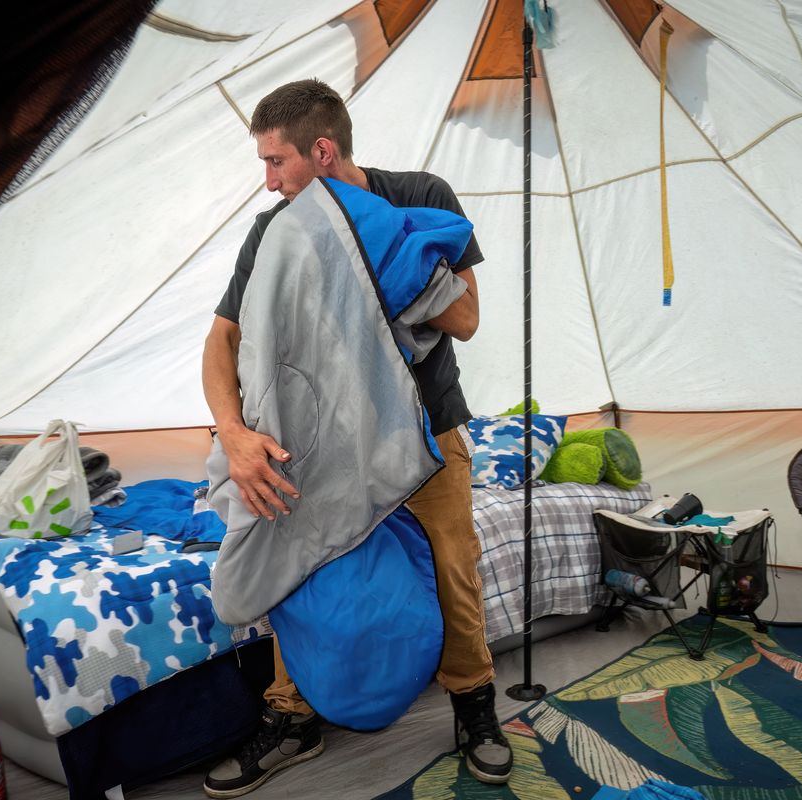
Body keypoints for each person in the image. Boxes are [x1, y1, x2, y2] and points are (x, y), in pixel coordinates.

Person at [200, 79, 511, 797]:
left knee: (452, 562)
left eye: (276, 163)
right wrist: (235, 434)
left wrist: (372, 248)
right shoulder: (272, 232)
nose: (268, 180)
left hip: (426, 429)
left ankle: (475, 708)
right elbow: (223, 340)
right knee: (298, 564)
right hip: (320, 442)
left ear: (322, 150)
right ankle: (293, 718)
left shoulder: (420, 195)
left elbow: (462, 320)